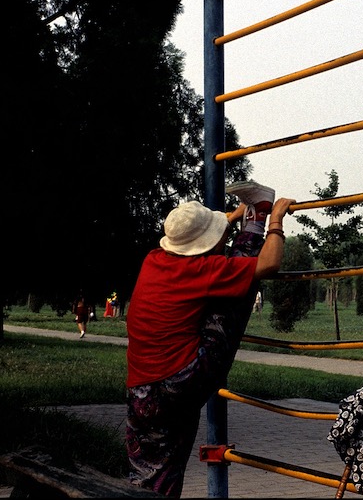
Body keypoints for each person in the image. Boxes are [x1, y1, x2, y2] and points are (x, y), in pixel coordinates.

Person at [125, 181, 294, 498]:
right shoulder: (206, 270)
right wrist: (273, 219)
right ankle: (259, 212)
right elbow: (269, 264)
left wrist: (230, 218)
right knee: (234, 294)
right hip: (181, 381)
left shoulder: (153, 259)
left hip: (141, 392)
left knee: (152, 473)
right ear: (203, 247)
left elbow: (193, 239)